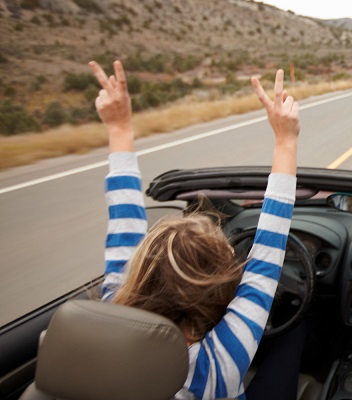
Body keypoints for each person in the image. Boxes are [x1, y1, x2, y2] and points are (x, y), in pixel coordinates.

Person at [91, 60, 301, 399]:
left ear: (140, 274)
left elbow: (123, 223)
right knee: (293, 335)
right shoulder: (216, 365)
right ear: (215, 294)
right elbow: (266, 259)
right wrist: (285, 139)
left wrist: (118, 128)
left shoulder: (113, 312)